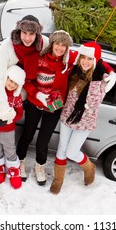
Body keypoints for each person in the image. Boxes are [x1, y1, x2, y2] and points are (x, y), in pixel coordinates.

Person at [0, 15, 48, 192]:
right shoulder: (8, 46)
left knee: (18, 135)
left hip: (29, 95)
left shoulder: (43, 44)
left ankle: (14, 166)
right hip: (3, 96)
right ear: (19, 31)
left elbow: (61, 54)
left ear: (37, 33)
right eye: (24, 32)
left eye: (32, 33)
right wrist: (4, 109)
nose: (27, 37)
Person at [50, 42, 109, 195]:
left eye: (90, 59)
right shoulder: (74, 72)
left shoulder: (100, 79)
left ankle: (89, 168)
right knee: (62, 148)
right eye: (83, 57)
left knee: (71, 152)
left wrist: (95, 79)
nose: (86, 62)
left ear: (95, 61)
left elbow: (94, 102)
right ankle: (58, 180)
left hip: (84, 122)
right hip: (67, 117)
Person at [16, 30, 73, 186]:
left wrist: (109, 72)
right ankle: (20, 163)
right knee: (27, 135)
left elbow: (93, 57)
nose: (60, 48)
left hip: (53, 109)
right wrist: (37, 93)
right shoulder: (39, 59)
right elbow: (27, 81)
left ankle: (39, 167)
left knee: (43, 142)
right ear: (52, 44)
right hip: (35, 104)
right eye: (57, 43)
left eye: (64, 45)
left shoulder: (67, 62)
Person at [0, 65, 25, 189]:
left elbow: (19, 113)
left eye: (16, 83)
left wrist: (10, 118)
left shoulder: (16, 97)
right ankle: (0, 170)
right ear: (6, 78)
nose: (12, 84)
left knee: (10, 150)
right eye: (11, 80)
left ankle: (14, 173)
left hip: (8, 129)